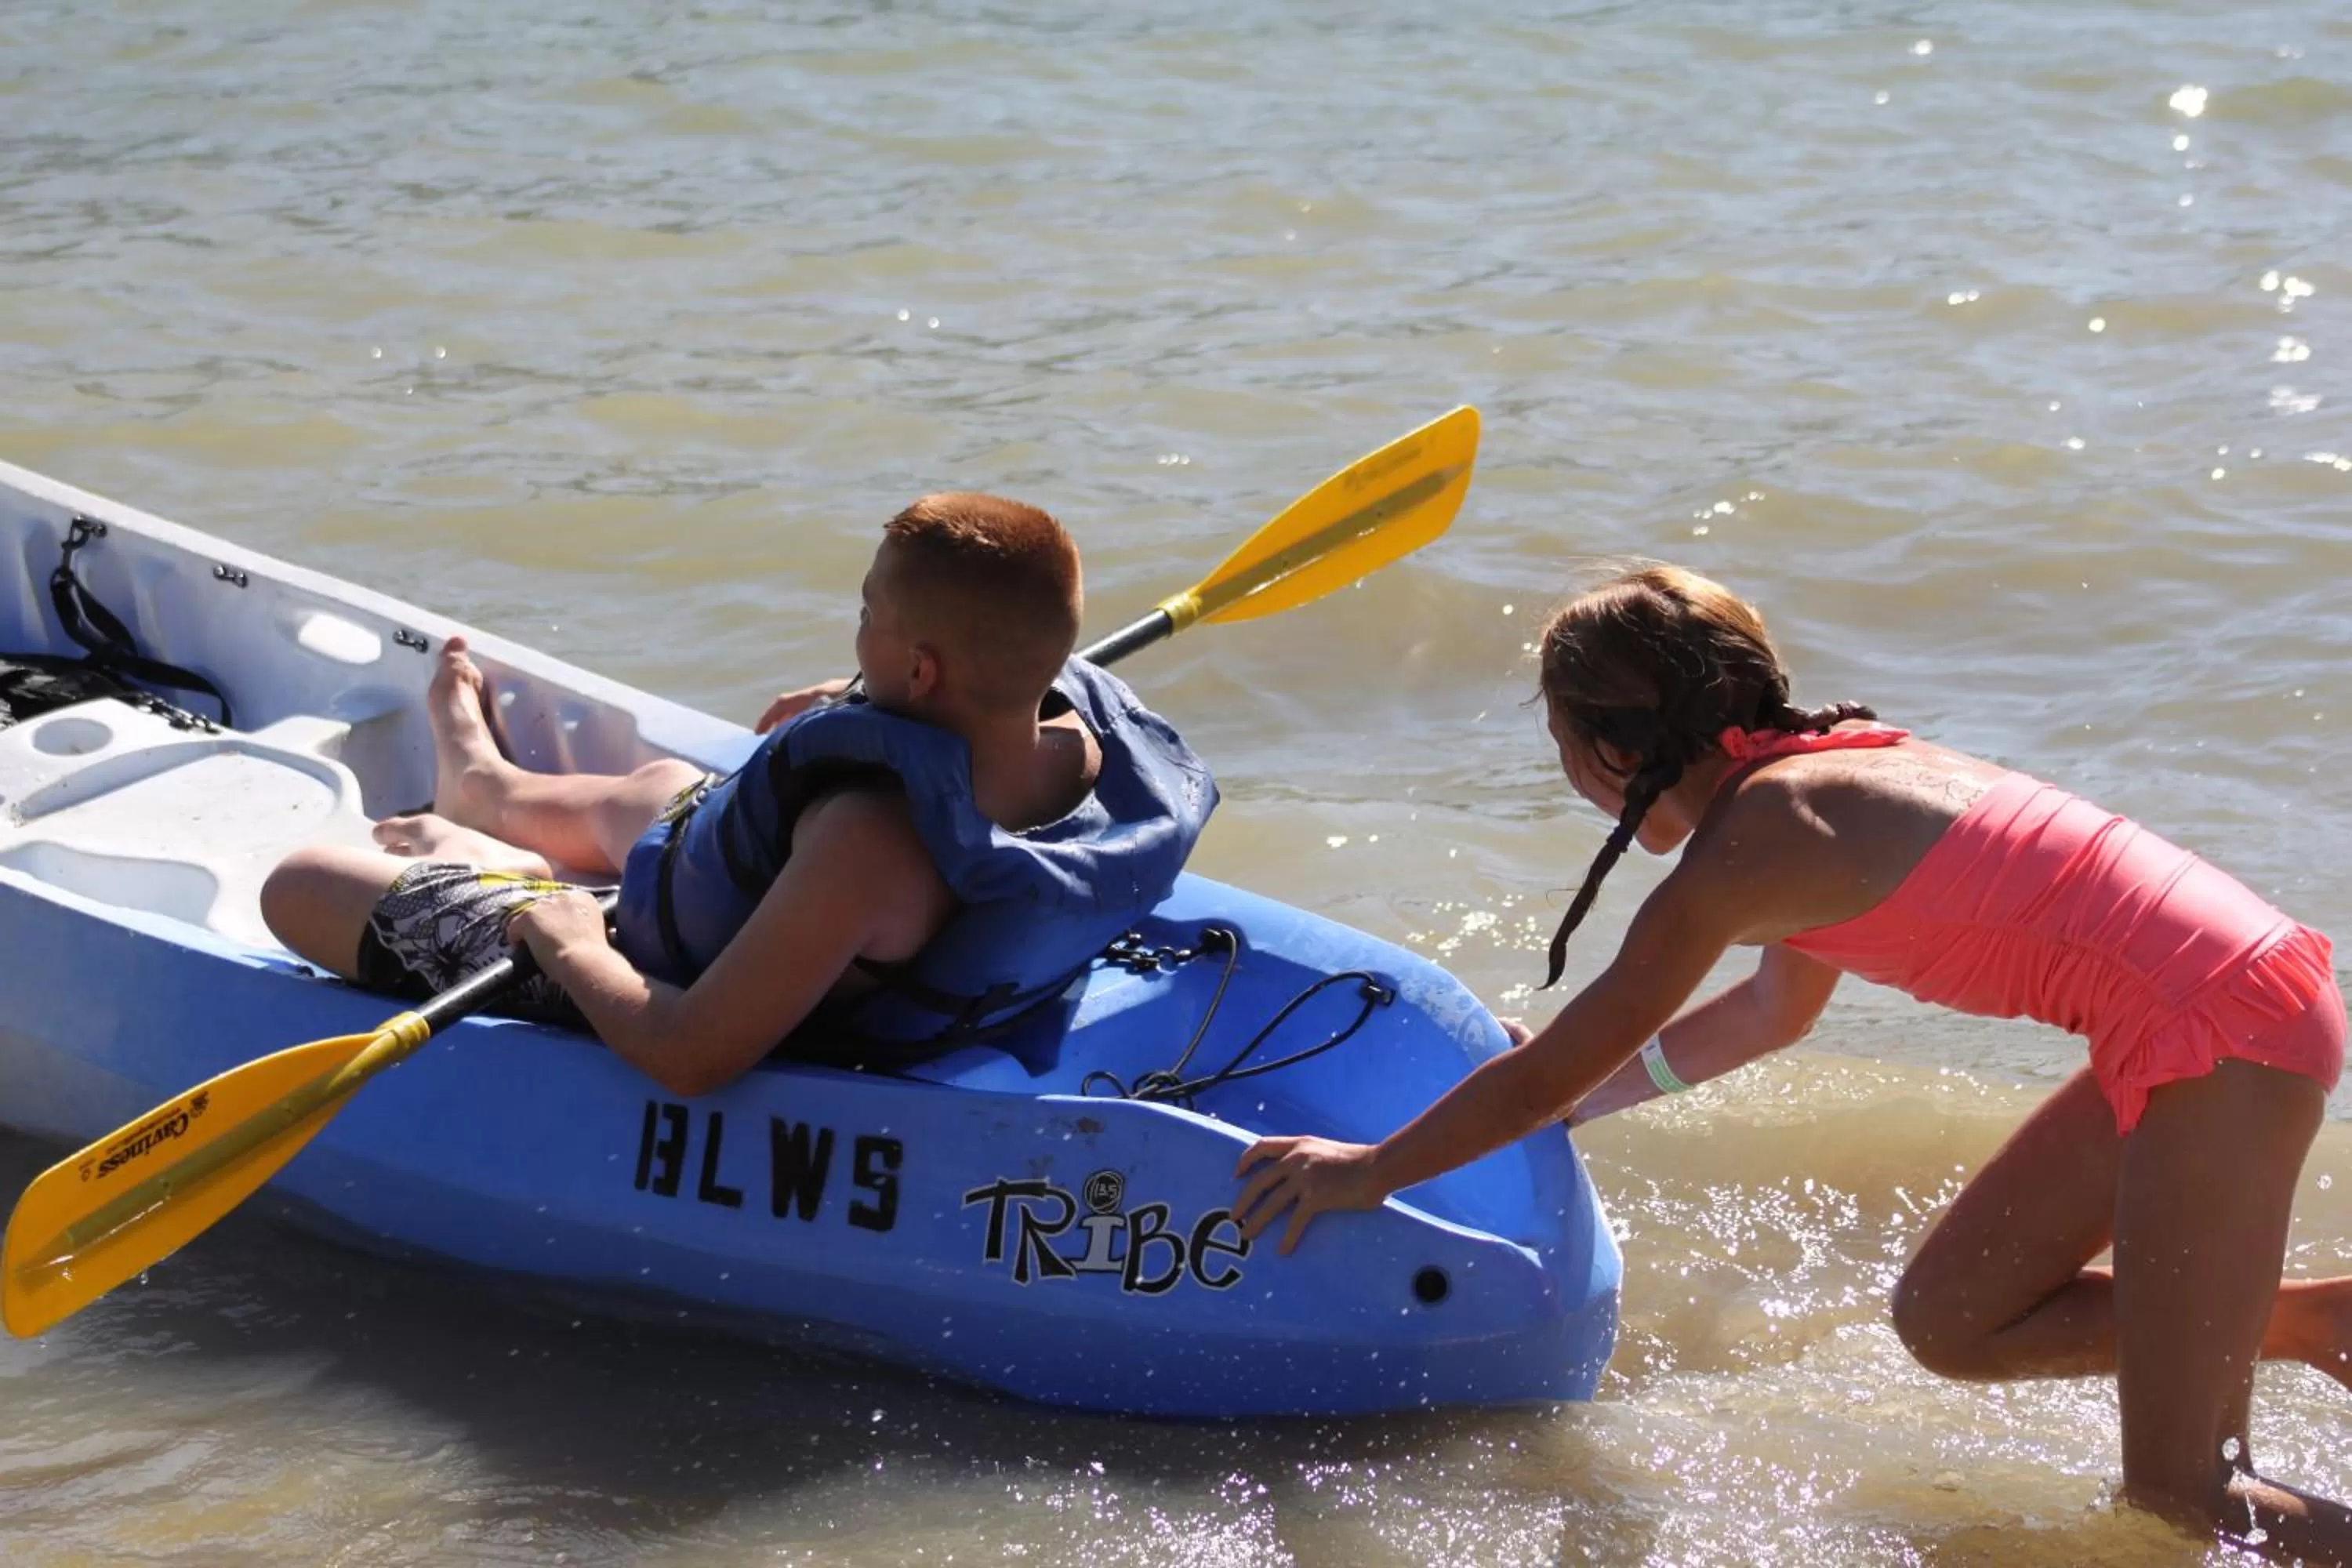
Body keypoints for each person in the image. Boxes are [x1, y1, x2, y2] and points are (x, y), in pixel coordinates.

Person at [1235, 562, 2352, 1560]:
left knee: (2187, 1499)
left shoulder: (1754, 845)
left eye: (1565, 746)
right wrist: (1575, 1108)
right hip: (2209, 1012)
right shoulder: (1816, 783)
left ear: (1614, 749)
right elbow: (1771, 1013)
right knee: (1954, 1318)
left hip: (2216, 1031)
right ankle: (2315, 1322)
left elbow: (1554, 1063)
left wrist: (1368, 1170)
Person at [263, 492, 1216, 1095]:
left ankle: (499, 864)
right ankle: (490, 785)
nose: (855, 637)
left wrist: (568, 938)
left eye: (865, 619)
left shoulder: (866, 842)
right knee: (665, 790)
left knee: (299, 882)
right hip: (760, 880)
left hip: (661, 960)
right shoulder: (1076, 748)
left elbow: (689, 1055)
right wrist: (862, 701)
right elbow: (963, 718)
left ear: (922, 671)